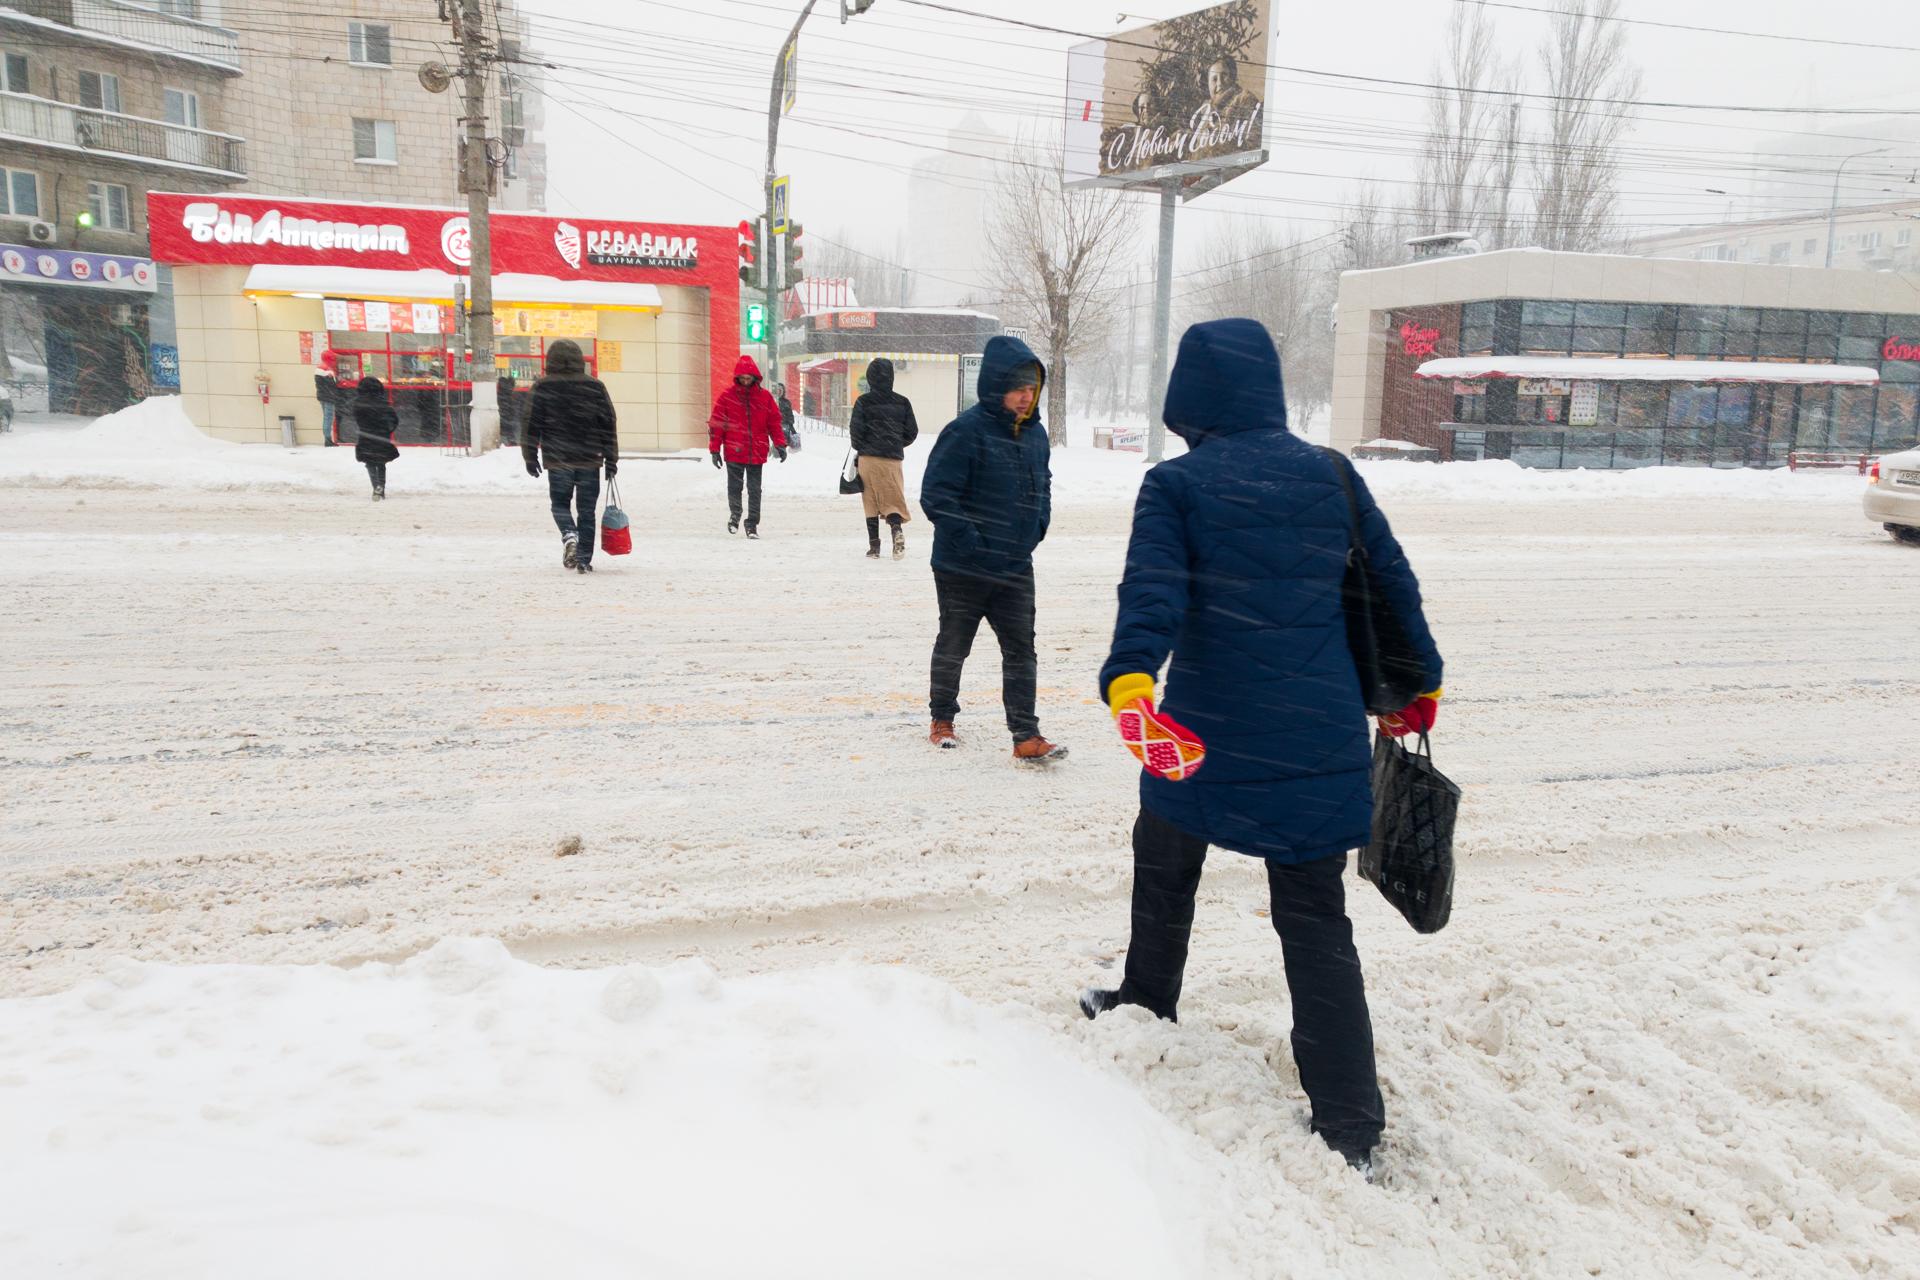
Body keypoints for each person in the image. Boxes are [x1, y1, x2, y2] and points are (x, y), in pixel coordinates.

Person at [1080, 319, 1444, 1180]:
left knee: (1164, 861)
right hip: (1318, 738)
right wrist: (1419, 682)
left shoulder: (1177, 486)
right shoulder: (1333, 475)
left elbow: (1152, 596)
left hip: (1204, 739)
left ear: (1190, 399)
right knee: (1315, 922)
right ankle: (1351, 1121)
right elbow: (1393, 583)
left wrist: (1131, 682)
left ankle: (1146, 999)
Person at [919, 334, 1065, 763]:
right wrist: (974, 543)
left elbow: (1045, 484)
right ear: (996, 386)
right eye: (1018, 387)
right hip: (962, 566)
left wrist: (1039, 524)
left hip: (1016, 565)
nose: (1025, 396)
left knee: (1021, 649)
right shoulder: (965, 432)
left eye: (1031, 388)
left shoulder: (1036, 435)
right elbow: (937, 495)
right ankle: (942, 719)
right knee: (954, 643)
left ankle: (1026, 735)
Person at [522, 338, 619, 574]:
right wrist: (611, 458)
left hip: (558, 458)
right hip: (589, 457)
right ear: (579, 360)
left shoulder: (542, 387)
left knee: (560, 505)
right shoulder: (595, 386)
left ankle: (569, 535)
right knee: (587, 511)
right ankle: (584, 559)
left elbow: (530, 423)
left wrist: (530, 455)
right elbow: (608, 422)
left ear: (550, 360)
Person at [706, 355, 787, 539]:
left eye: (748, 378)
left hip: (755, 451)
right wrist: (714, 449)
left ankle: (752, 524)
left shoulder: (764, 397)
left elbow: (774, 422)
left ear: (755, 378)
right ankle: (735, 515)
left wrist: (780, 443)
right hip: (735, 451)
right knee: (734, 487)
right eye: (742, 378)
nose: (745, 381)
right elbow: (717, 424)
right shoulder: (727, 397)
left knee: (754, 490)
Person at [848, 358, 919, 560]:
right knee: (892, 500)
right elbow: (912, 432)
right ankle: (896, 530)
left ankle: (874, 547)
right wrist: (895, 443)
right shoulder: (902, 402)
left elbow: (856, 431)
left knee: (870, 500)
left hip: (868, 458)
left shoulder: (863, 401)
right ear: (891, 377)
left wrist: (863, 446)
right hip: (892, 460)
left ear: (870, 377)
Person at [352, 376, 398, 500]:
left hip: (365, 437)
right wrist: (387, 430)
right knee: (381, 464)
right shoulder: (383, 403)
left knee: (370, 463)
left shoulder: (357, 403)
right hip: (381, 437)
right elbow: (394, 420)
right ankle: (381, 488)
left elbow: (357, 418)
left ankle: (375, 486)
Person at [315, 350, 340, 446]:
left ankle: (327, 439)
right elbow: (332, 384)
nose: (335, 361)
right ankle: (328, 440)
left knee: (326, 417)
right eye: (333, 359)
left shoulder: (319, 367)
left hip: (322, 396)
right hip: (328, 397)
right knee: (328, 418)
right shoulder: (327, 369)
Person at [773, 381, 799, 452]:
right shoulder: (772, 401)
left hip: (784, 425)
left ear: (782, 391)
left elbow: (790, 415)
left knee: (784, 441)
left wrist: (789, 422)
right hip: (775, 426)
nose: (778, 392)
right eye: (777, 390)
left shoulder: (786, 402)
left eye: (780, 390)